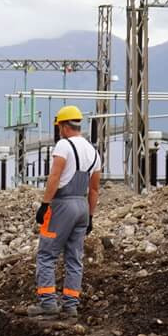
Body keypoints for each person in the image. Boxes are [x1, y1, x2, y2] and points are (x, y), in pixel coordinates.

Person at [30, 106, 102, 319]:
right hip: (82, 206)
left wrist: (45, 204)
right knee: (74, 258)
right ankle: (71, 305)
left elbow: (54, 177)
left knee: (46, 254)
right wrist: (90, 216)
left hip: (62, 206)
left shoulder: (64, 145)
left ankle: (48, 303)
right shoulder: (94, 152)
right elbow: (95, 189)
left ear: (62, 126)